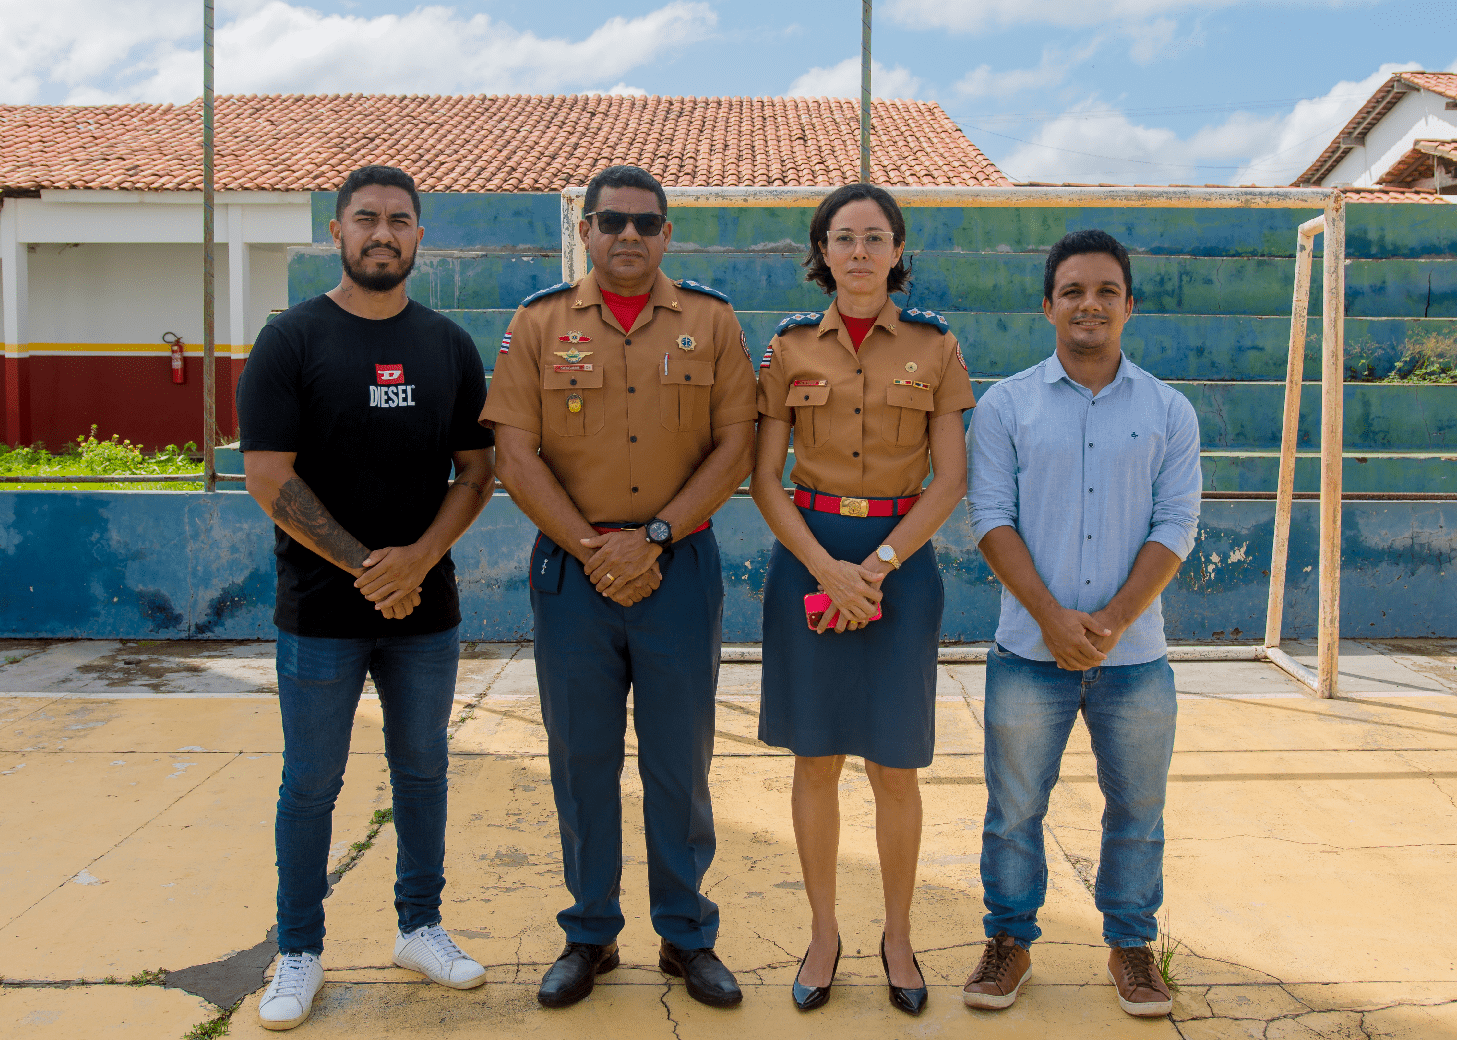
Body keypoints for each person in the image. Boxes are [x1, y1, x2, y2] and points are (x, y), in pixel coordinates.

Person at [480, 165, 758, 1010]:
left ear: (667, 234)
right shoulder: (538, 323)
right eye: (611, 222)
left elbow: (737, 445)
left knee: (679, 761)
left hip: (680, 568)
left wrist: (656, 539)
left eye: (645, 223)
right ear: (586, 232)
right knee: (582, 758)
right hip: (575, 572)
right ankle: (590, 934)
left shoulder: (711, 322)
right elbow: (513, 453)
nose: (628, 235)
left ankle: (686, 936)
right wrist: (596, 549)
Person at [237, 165, 497, 1031]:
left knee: (422, 769)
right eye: (365, 219)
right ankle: (299, 950)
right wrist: (366, 568)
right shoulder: (290, 339)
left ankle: (420, 928)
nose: (382, 233)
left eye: (399, 220)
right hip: (321, 612)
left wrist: (417, 560)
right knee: (312, 782)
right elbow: (268, 476)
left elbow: (477, 470)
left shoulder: (448, 345)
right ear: (337, 232)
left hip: (426, 608)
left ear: (419, 234)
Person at [958, 229, 1201, 1017]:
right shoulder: (1007, 406)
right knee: (1013, 811)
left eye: (1104, 291)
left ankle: (1132, 946)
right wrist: (1052, 620)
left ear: (1130, 305)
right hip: (1029, 653)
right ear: (1048, 306)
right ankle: (1009, 941)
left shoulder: (1168, 410)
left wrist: (1114, 621)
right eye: (1072, 291)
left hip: (1136, 658)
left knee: (1138, 812)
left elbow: (1177, 523)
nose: (1088, 305)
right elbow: (990, 518)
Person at [752, 183, 975, 1015]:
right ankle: (823, 934)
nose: (858, 251)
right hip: (809, 554)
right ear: (822, 251)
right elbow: (764, 480)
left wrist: (875, 566)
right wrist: (826, 569)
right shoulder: (788, 348)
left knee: (894, 763)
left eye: (874, 237)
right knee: (815, 759)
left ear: (897, 251)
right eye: (843, 237)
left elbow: (950, 478)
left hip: (899, 563)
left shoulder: (935, 347)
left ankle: (898, 936)